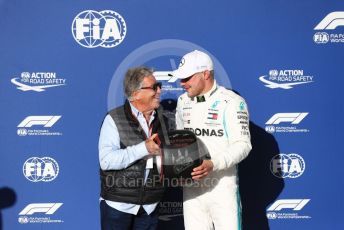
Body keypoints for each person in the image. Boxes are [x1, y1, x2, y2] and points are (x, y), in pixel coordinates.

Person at [174, 50, 252, 230]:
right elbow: (180, 142)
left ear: (205, 74)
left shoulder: (232, 102)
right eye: (181, 78)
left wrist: (213, 164)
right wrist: (177, 170)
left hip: (222, 188)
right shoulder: (182, 101)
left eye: (187, 78)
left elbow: (243, 145)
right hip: (192, 190)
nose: (182, 83)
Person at [98, 66, 166, 230]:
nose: (159, 91)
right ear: (136, 94)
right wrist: (144, 148)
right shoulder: (114, 119)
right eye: (154, 87)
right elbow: (106, 161)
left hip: (150, 206)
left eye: (159, 86)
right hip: (119, 206)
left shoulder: (164, 120)